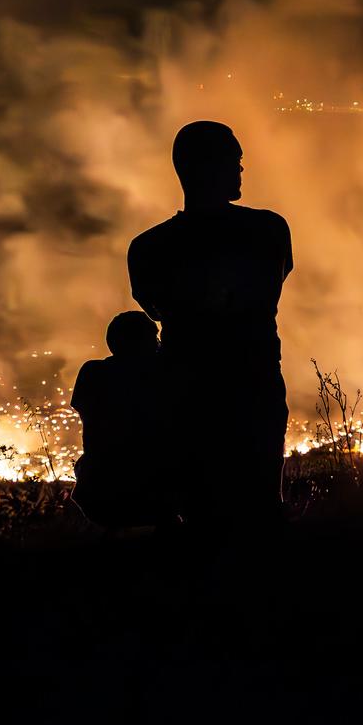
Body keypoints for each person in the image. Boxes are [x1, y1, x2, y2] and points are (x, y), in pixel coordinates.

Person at [127, 121, 293, 528]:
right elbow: (271, 285)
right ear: (207, 168)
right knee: (260, 505)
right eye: (234, 161)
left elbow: (155, 307)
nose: (241, 170)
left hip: (187, 390)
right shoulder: (268, 230)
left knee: (200, 510)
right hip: (252, 384)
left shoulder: (149, 248)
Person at [70, 310, 174, 530]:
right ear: (143, 342)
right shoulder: (158, 374)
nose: (157, 343)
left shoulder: (92, 372)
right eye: (153, 338)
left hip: (99, 486)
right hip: (147, 487)